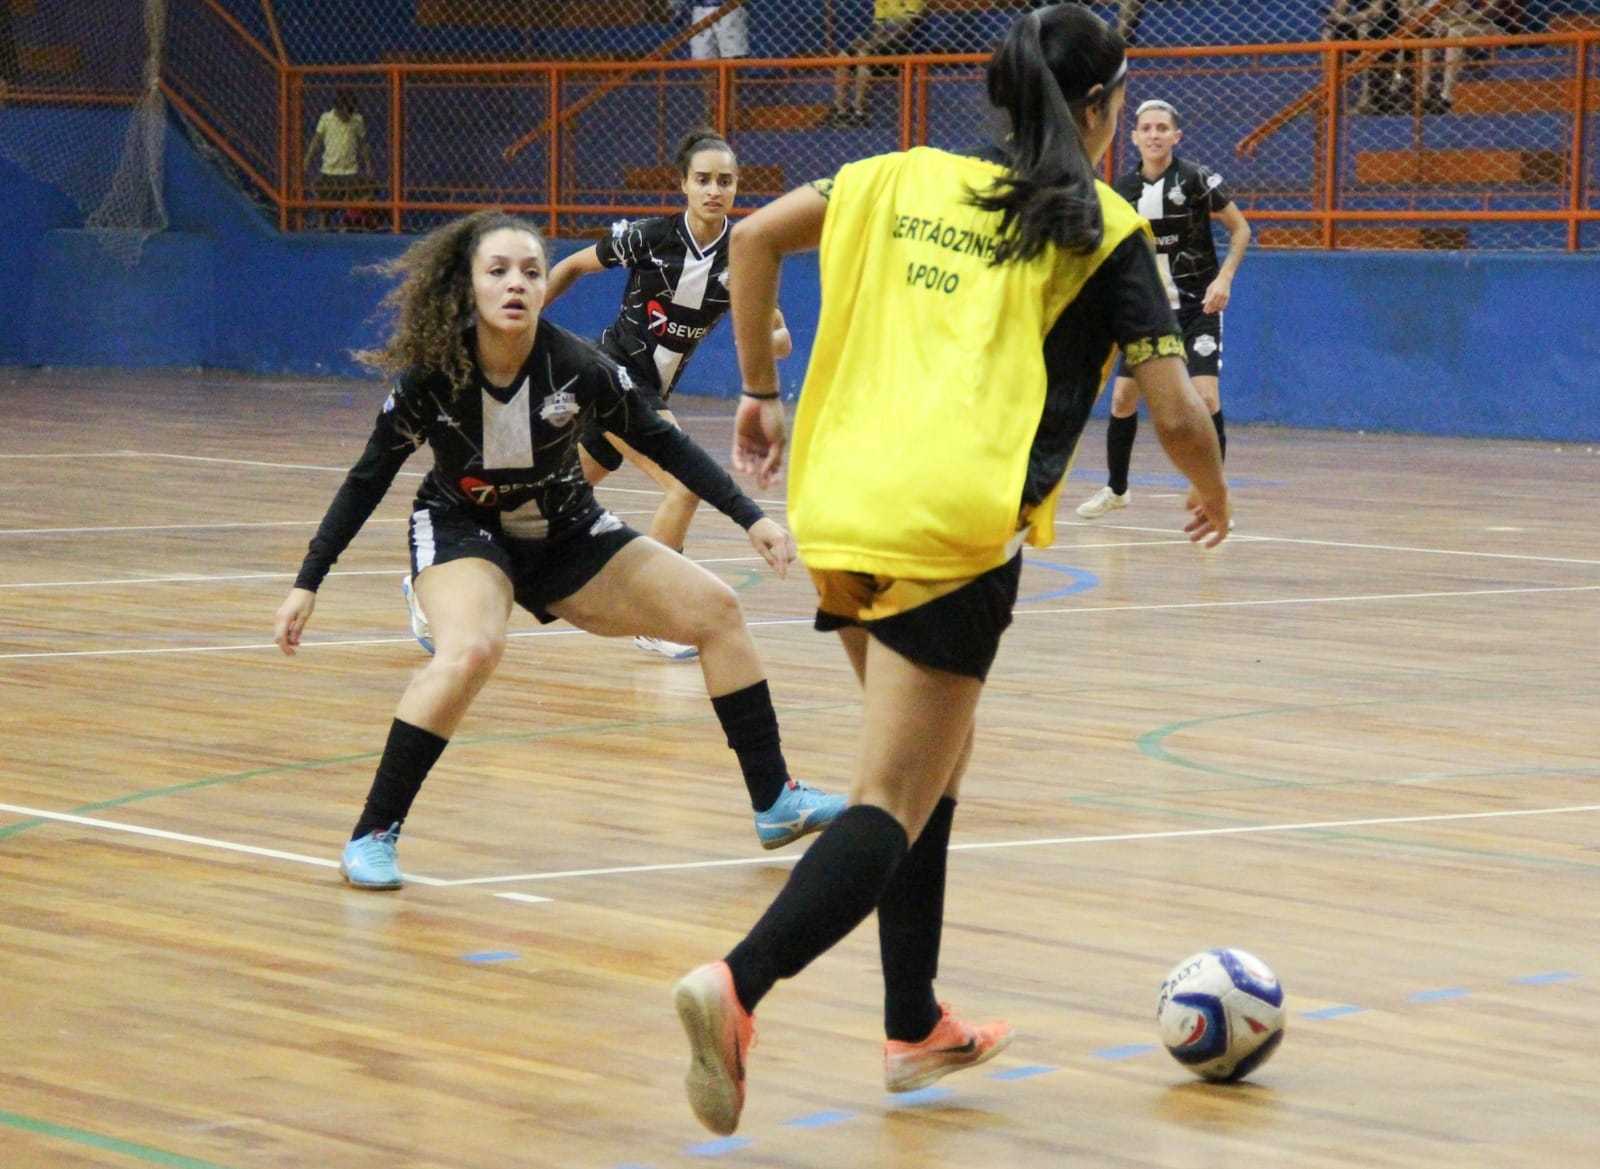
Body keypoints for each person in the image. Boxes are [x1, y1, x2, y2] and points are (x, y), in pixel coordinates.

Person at [672, 4, 1230, 1136]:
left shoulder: (895, 174)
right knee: (890, 795)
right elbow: (1172, 409)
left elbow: (748, 242)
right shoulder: (1102, 228)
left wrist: (759, 390)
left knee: (935, 762)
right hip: (950, 533)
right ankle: (735, 983)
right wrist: (1212, 487)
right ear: (1097, 110)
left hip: (838, 511)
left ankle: (912, 1016)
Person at [273, 209, 845, 891]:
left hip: (567, 528)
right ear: (469, 285)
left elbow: (664, 443)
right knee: (472, 650)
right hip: (465, 528)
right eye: (498, 270)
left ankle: (774, 800)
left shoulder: (577, 366)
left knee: (718, 611)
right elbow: (368, 478)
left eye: (531, 271)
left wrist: (752, 518)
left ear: (546, 286)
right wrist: (309, 580)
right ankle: (373, 832)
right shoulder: (434, 376)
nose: (516, 283)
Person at [512, 128, 792, 662]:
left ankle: (441, 584)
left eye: (725, 182)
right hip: (614, 376)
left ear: (736, 190)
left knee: (543, 510)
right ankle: (655, 616)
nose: (714, 190)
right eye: (703, 179)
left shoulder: (745, 257)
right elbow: (572, 265)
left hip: (646, 392)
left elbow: (777, 334)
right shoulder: (649, 239)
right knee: (684, 484)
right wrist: (528, 317)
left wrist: (768, 337)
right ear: (683, 184)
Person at [1076, 98, 1250, 522]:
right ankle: (1117, 490)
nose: (1154, 135)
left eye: (1162, 128)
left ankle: (1210, 493)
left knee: (1206, 395)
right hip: (1150, 314)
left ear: (1176, 136)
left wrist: (1223, 278)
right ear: (1134, 137)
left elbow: (1240, 228)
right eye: (1146, 128)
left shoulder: (1196, 179)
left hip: (1197, 307)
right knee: (1121, 399)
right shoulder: (1124, 191)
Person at [821, 0, 928, 128]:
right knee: (844, 56)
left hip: (906, 45)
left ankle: (859, 110)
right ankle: (840, 110)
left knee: (864, 54)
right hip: (883, 42)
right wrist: (868, 42)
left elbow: (906, 29)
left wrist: (874, 44)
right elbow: (879, 31)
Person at [303, 88, 374, 231]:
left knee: (362, 196)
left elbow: (362, 144)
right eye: (344, 113)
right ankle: (323, 227)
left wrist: (368, 165)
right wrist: (307, 160)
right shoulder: (326, 118)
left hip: (350, 170)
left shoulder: (356, 120)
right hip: (330, 169)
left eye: (349, 113)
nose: (346, 117)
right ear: (337, 109)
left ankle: (352, 224)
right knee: (325, 203)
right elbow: (316, 140)